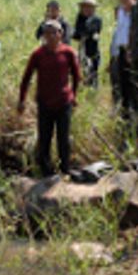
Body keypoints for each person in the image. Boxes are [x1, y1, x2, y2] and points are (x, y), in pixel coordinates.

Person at [18, 20, 82, 176]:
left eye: (55, 32)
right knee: (44, 139)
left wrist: (73, 95)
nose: (51, 36)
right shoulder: (38, 54)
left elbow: (77, 75)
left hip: (63, 102)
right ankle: (46, 173)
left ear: (61, 34)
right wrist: (22, 100)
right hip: (44, 102)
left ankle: (65, 171)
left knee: (63, 139)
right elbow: (26, 78)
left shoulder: (68, 52)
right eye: (48, 32)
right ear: (44, 35)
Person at [109, 0, 134, 118]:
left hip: (133, 51)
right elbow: (118, 33)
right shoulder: (120, 12)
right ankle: (125, 112)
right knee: (121, 82)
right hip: (120, 51)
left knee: (133, 83)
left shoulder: (137, 11)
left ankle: (135, 111)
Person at [73, 0, 102, 88]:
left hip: (92, 51)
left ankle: (93, 91)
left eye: (89, 7)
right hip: (82, 50)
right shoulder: (80, 19)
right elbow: (76, 34)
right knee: (82, 72)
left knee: (92, 73)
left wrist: (84, 33)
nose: (86, 9)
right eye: (84, 7)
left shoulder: (96, 19)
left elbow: (90, 30)